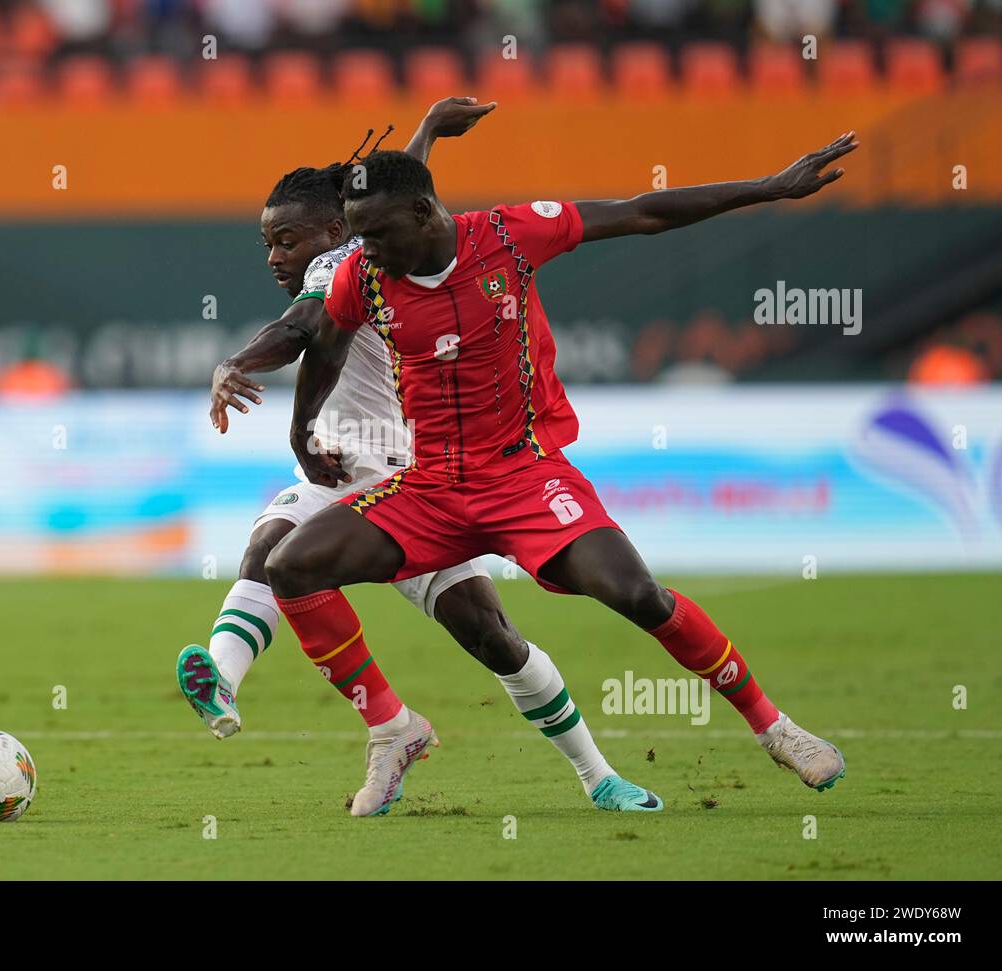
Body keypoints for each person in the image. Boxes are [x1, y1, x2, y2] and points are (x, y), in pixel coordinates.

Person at [265, 133, 862, 808]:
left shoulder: (509, 234)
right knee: (290, 566)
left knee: (639, 595)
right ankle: (389, 727)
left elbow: (643, 212)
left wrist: (769, 186)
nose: (363, 250)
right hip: (429, 487)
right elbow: (325, 345)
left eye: (373, 235)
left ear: (424, 217)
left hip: (525, 477)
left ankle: (775, 728)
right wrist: (302, 431)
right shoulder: (363, 276)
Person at [179, 99, 661, 816]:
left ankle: (597, 775)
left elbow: (300, 328)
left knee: (492, 637)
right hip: (341, 473)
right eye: (267, 244)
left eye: (285, 239)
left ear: (336, 231)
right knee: (271, 552)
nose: (275, 255)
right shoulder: (376, 242)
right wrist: (429, 130)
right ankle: (250, 686)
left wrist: (237, 360)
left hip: (416, 485)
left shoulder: (343, 266)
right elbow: (401, 190)